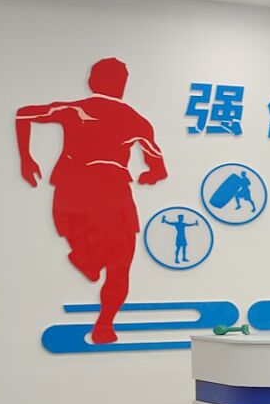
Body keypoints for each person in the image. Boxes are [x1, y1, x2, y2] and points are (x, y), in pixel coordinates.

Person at [16, 58, 168, 345]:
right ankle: (103, 318)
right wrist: (151, 175)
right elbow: (158, 166)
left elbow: (24, 115)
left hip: (75, 193)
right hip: (107, 194)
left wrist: (26, 157)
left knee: (109, 256)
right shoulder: (135, 120)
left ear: (91, 82)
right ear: (122, 86)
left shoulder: (75, 109)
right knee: (120, 263)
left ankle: (89, 264)